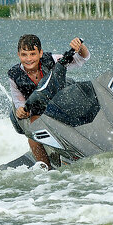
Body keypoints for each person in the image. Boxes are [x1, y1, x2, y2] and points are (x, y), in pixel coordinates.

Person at [7, 33, 90, 169]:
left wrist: (80, 47)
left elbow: (82, 58)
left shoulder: (52, 60)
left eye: (32, 54)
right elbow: (18, 100)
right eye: (24, 55)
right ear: (18, 55)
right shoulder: (14, 75)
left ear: (40, 53)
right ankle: (45, 167)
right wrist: (21, 110)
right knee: (33, 132)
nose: (28, 59)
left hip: (62, 104)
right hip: (38, 110)